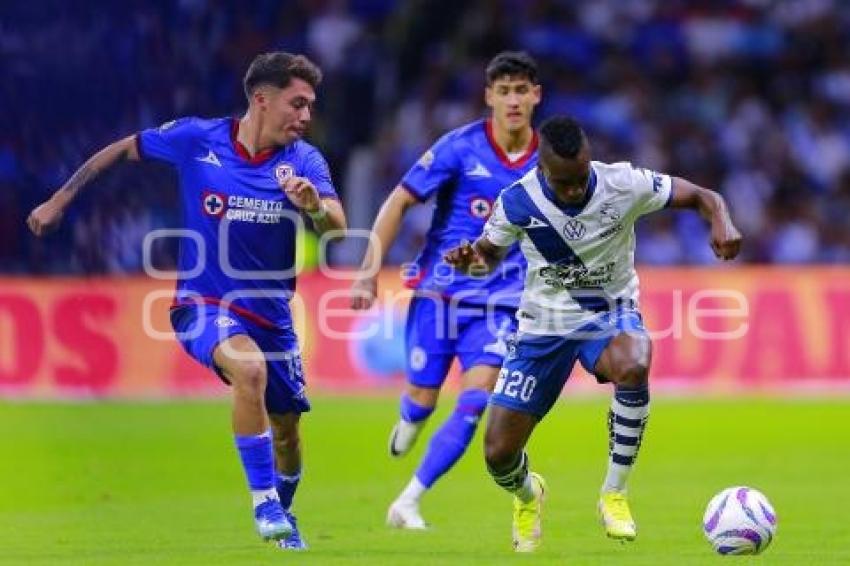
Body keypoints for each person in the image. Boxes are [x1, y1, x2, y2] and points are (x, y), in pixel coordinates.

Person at [27, 52, 347, 551]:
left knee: (287, 433)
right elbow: (120, 149)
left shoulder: (304, 160)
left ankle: (283, 508)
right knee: (250, 371)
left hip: (272, 316)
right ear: (261, 100)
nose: (306, 117)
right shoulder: (197, 138)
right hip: (203, 304)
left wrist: (313, 208)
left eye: (310, 106)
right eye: (298, 104)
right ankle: (263, 502)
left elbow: (338, 224)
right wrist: (60, 199)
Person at [445, 115, 742, 552]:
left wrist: (722, 221)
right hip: (542, 327)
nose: (575, 190)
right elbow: (486, 258)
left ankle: (614, 493)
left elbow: (703, 196)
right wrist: (469, 258)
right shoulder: (517, 202)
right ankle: (529, 495)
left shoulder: (622, 183)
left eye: (580, 178)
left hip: (609, 314)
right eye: (564, 183)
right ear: (542, 170)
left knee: (635, 362)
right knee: (497, 455)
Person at [350, 51, 541, 529]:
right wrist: (367, 271)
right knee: (422, 398)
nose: (513, 100)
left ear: (536, 96)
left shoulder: (549, 161)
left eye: (522, 90)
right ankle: (411, 417)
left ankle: (409, 500)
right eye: (505, 91)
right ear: (489, 97)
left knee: (476, 401)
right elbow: (398, 201)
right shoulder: (460, 148)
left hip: (502, 304)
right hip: (440, 295)